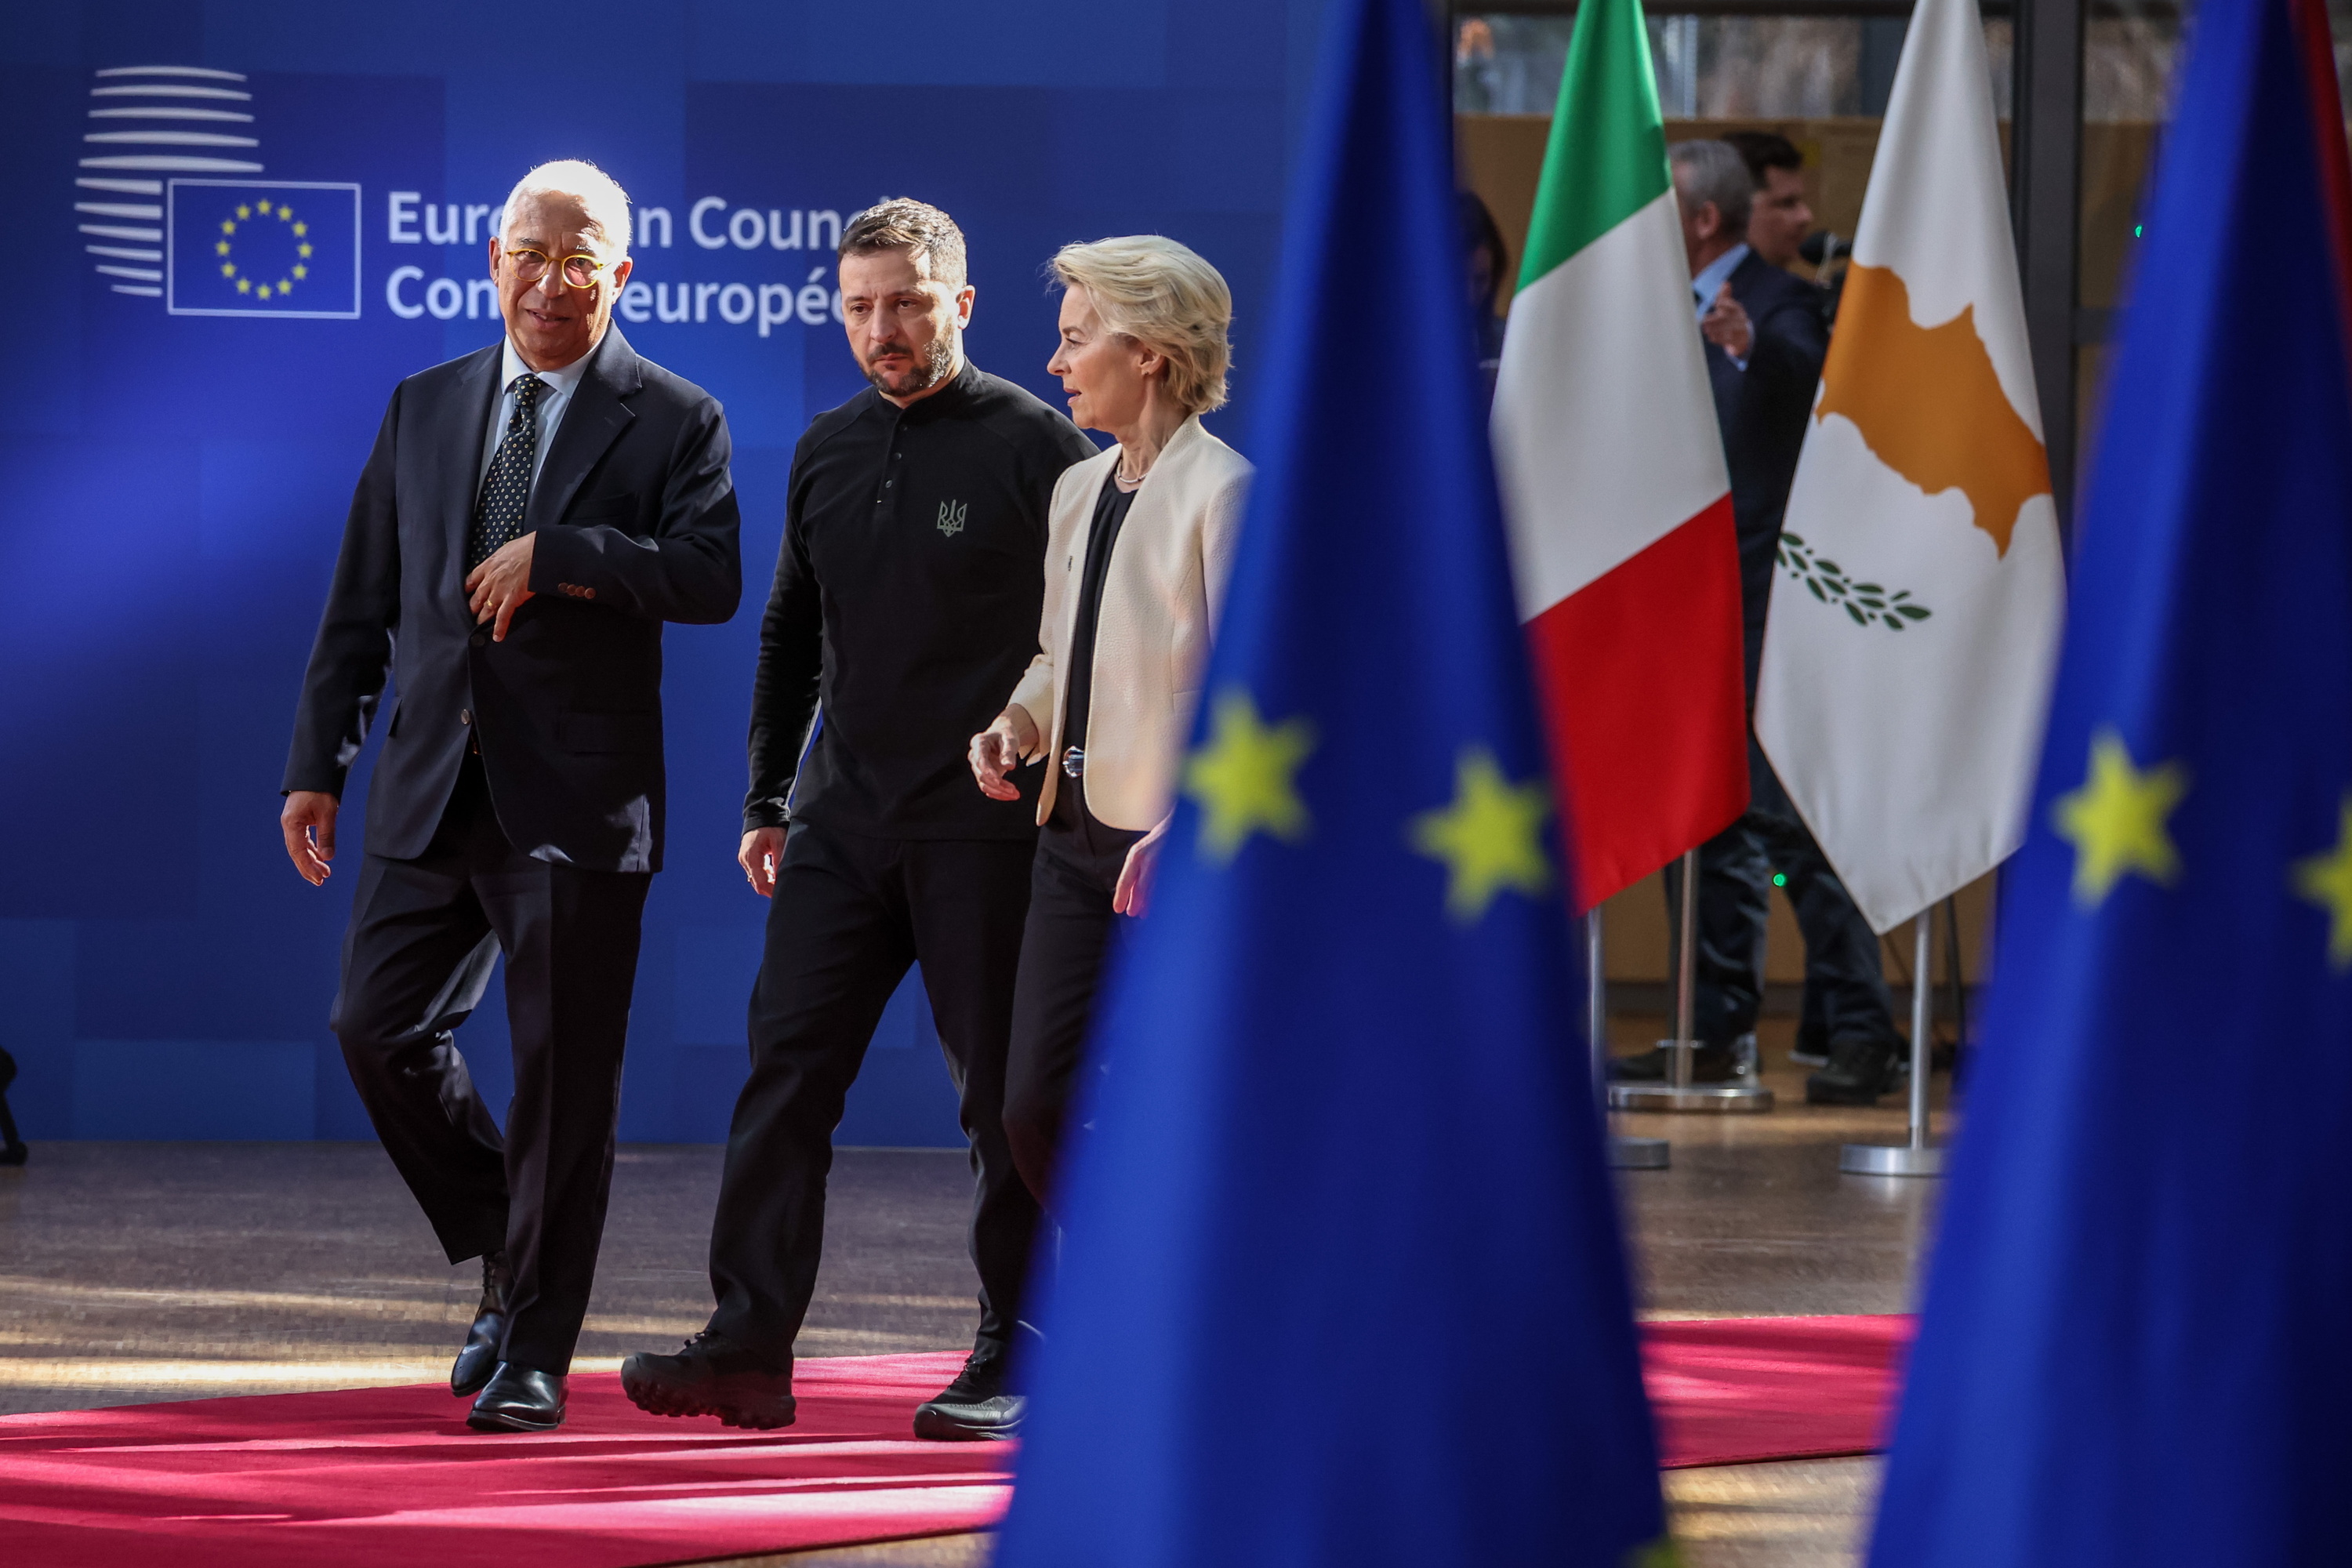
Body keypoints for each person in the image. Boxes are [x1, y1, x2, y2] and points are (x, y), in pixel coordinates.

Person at [621, 200, 1097, 1442]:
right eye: (859, 307)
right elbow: (788, 631)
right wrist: (770, 795)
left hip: (985, 830)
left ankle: (1022, 1347)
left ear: (962, 304)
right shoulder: (827, 446)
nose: (881, 329)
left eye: (906, 303)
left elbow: (1077, 647)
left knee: (1001, 1104)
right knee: (785, 1078)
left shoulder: (1041, 448)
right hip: (839, 824)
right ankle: (746, 1348)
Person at [279, 160, 742, 1432]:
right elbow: (361, 600)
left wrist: (570, 557)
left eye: (580, 257)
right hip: (432, 778)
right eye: (530, 253)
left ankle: (536, 1342)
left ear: (622, 275)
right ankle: (502, 1232)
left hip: (579, 799)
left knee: (565, 1082)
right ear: (494, 262)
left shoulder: (674, 417)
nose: (552, 278)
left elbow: (711, 576)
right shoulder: (423, 407)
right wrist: (320, 760)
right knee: (373, 1027)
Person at [1610, 140, 1904, 1106]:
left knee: (1790, 822)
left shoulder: (1782, 301)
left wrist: (1747, 348)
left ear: (1702, 220)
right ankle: (1715, 1030)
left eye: (1665, 208)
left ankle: (1864, 1028)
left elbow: (1821, 389)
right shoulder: (1649, 317)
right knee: (1706, 826)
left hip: (1769, 610)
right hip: (1683, 610)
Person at [968, 237, 1250, 1205]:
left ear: (1151, 354)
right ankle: (1110, 1296)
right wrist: (1015, 722)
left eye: (1076, 338)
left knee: (1183, 1112)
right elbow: (1058, 658)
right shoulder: (1076, 487)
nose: (1054, 363)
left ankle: (1189, 1326)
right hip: (1069, 838)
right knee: (1031, 1107)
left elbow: (1254, 698)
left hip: (1171, 848)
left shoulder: (1227, 493)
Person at [1719, 130, 1815, 274]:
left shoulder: (1799, 293)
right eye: (1787, 203)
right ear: (1736, 210)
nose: (1806, 216)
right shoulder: (1682, 291)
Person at [1458, 191, 1510, 408]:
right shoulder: (1397, 343)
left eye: (1480, 280)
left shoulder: (1510, 342)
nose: (1470, 296)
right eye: (1458, 280)